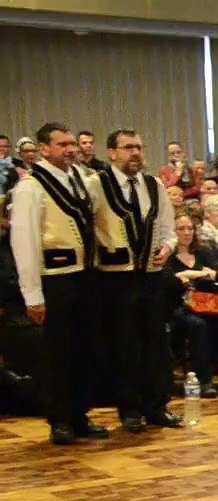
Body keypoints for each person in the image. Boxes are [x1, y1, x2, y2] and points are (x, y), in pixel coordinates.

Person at [9, 122, 106, 444]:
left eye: (71, 144)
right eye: (62, 144)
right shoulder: (30, 187)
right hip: (55, 280)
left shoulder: (79, 178)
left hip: (84, 277)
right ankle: (60, 418)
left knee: (85, 350)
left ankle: (80, 413)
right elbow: (24, 242)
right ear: (44, 149)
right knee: (59, 353)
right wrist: (33, 294)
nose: (70, 149)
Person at [85, 128, 184, 431]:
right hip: (115, 278)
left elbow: (168, 229)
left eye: (139, 147)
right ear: (112, 152)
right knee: (124, 344)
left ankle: (157, 405)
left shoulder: (154, 186)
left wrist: (167, 248)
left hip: (152, 276)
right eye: (128, 148)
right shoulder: (95, 185)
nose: (136, 153)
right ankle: (129, 409)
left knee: (155, 341)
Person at [165, 211, 218, 396]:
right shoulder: (167, 256)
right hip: (181, 305)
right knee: (197, 325)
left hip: (210, 303)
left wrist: (187, 275)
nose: (187, 233)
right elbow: (169, 282)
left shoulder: (204, 251)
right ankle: (204, 381)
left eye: (190, 228)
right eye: (181, 229)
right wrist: (200, 274)